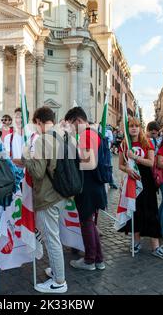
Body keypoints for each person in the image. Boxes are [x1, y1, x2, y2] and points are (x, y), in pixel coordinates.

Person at [22, 106, 69, 293]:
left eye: (35, 124)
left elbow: (38, 172)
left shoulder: (43, 139)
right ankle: (56, 271)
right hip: (62, 194)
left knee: (51, 239)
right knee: (53, 236)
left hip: (48, 196)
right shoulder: (63, 136)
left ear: (39, 122)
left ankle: (59, 282)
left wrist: (26, 157)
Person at [118, 117, 163, 260]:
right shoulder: (124, 144)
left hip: (146, 181)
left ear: (140, 128)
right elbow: (121, 165)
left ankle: (155, 246)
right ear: (127, 128)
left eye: (136, 126)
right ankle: (136, 242)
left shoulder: (146, 142)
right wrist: (127, 170)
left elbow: (150, 162)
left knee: (151, 211)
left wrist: (135, 157)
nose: (134, 128)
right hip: (132, 181)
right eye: (131, 126)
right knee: (135, 210)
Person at [65, 107, 106, 271]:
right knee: (90, 223)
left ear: (78, 121)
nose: (70, 127)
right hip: (93, 185)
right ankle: (98, 259)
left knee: (86, 223)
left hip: (87, 185)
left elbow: (88, 163)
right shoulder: (93, 133)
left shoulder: (86, 134)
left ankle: (89, 260)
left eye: (70, 124)